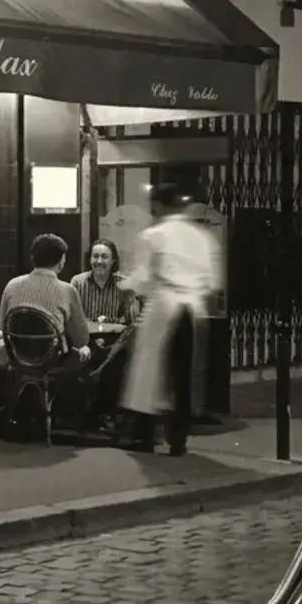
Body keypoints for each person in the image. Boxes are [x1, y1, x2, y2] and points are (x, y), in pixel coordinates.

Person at [120, 183, 220, 456]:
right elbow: (212, 281)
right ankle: (179, 439)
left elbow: (141, 278)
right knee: (183, 374)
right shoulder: (200, 237)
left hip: (163, 305)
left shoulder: (152, 235)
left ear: (158, 206)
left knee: (148, 372)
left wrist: (126, 283)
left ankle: (146, 437)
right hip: (193, 307)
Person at [0, 234, 92, 377]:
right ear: (61, 262)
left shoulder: (12, 285)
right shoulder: (67, 290)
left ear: (32, 259)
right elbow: (82, 339)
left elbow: (2, 326)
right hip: (54, 360)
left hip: (18, 357)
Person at [70, 239, 140, 430]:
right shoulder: (77, 282)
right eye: (95, 256)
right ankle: (86, 415)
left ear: (113, 261)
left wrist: (108, 321)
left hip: (115, 343)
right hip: (85, 340)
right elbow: (72, 318)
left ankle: (108, 412)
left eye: (104, 257)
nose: (99, 261)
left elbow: (133, 321)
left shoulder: (125, 285)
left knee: (118, 357)